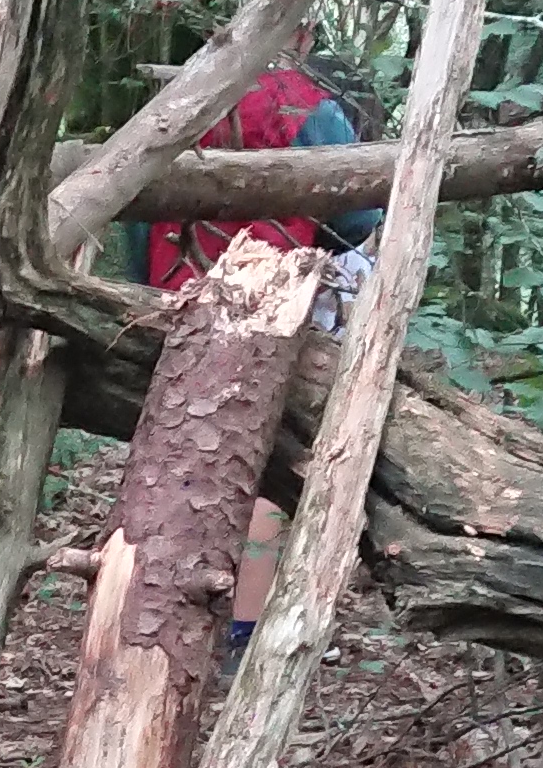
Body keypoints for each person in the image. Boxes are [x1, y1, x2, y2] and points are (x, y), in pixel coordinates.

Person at [146, 62, 384, 649]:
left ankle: (154, 611)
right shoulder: (303, 103)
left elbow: (138, 207)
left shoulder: (182, 96)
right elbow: (354, 216)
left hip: (177, 295)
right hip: (268, 308)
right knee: (265, 464)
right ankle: (244, 628)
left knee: (171, 459)